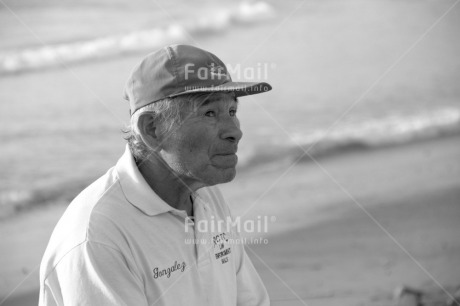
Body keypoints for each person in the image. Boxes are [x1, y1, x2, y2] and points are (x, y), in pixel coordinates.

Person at [39, 44, 273, 305]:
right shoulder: (98, 235)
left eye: (232, 111)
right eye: (209, 113)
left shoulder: (206, 197)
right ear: (152, 129)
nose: (234, 131)